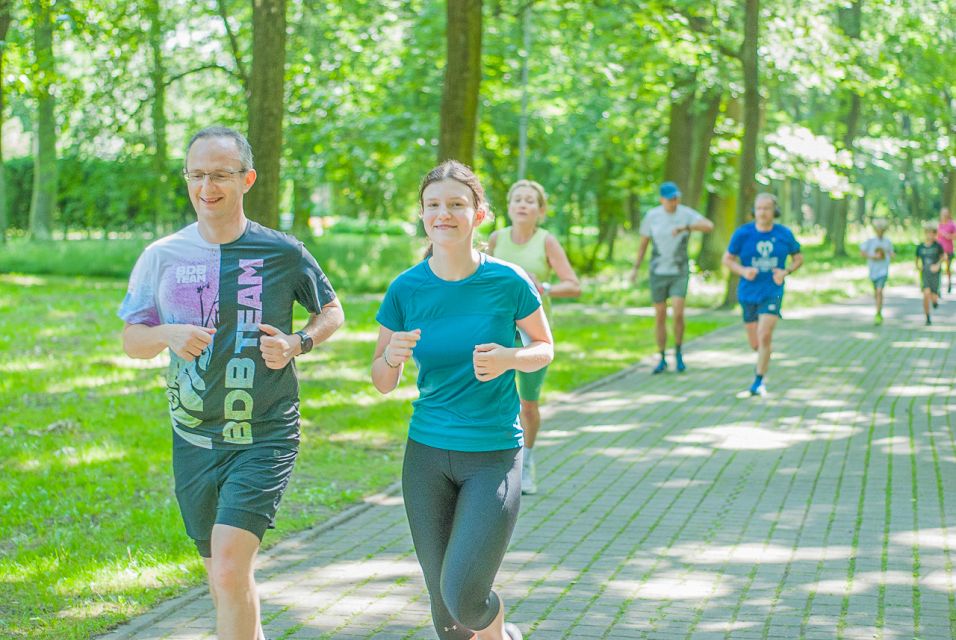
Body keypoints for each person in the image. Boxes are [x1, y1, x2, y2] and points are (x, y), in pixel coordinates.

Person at [119, 126, 344, 640]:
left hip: (263, 434)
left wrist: (297, 343)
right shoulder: (162, 256)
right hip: (194, 437)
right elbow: (132, 339)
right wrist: (166, 334)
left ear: (247, 179)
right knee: (224, 577)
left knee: (227, 569)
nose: (207, 187)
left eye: (220, 175)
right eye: (196, 175)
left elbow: (331, 311)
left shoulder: (282, 252)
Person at [372, 161, 552, 640]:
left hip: (492, 454)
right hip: (426, 456)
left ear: (479, 214)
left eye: (456, 204)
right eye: (433, 205)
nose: (443, 214)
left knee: (466, 596)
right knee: (446, 619)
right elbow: (382, 380)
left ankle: (500, 634)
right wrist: (390, 355)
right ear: (422, 215)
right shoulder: (405, 288)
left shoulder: (509, 280)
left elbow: (544, 348)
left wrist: (511, 357)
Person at [488, 179, 581, 495]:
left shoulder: (546, 241)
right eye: (517, 199)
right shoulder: (496, 239)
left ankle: (525, 465)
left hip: (533, 335)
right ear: (509, 207)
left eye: (530, 200)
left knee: (527, 403)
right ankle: (497, 465)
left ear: (540, 211)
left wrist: (544, 287)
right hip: (498, 331)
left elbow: (573, 284)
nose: (523, 204)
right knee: (494, 399)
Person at [722, 193, 803, 397]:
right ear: (754, 211)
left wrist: (786, 271)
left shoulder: (784, 234)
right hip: (748, 291)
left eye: (767, 208)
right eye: (759, 208)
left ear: (774, 211)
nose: (762, 212)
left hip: (772, 290)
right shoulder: (743, 233)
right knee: (755, 343)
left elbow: (798, 257)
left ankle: (758, 381)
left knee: (765, 335)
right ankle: (763, 358)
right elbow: (728, 259)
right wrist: (743, 271)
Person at [630, 181, 714, 374]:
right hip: (658, 271)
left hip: (679, 271)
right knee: (660, 315)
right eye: (669, 199)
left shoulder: (685, 213)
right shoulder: (652, 216)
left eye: (676, 198)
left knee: (678, 312)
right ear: (661, 199)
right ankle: (661, 357)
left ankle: (678, 353)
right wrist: (635, 268)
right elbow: (643, 244)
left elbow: (709, 225)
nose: (673, 202)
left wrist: (686, 228)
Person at [860, 218, 894, 325]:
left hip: (883, 271)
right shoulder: (870, 241)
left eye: (882, 229)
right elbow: (862, 253)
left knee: (879, 290)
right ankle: (878, 308)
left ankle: (878, 313)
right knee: (876, 292)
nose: (880, 231)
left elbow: (891, 252)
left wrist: (891, 255)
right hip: (873, 270)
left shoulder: (887, 242)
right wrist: (873, 256)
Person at [916, 223, 945, 325]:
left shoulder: (938, 246)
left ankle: (935, 301)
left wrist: (937, 265)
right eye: (928, 233)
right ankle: (927, 317)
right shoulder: (920, 247)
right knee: (926, 294)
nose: (930, 235)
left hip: (935, 275)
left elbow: (943, 257)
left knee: (933, 295)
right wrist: (919, 267)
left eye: (932, 233)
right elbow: (917, 260)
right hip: (925, 274)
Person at [936, 207, 955, 294]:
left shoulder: (952, 224)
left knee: (947, 268)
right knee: (938, 267)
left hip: (948, 250)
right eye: (943, 213)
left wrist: (948, 235)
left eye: (946, 213)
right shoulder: (939, 224)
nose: (944, 215)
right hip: (939, 250)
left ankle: (949, 284)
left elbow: (954, 236)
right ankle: (938, 287)